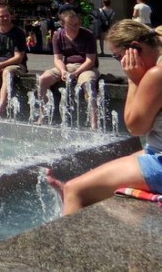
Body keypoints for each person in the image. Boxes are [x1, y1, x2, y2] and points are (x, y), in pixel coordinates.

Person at [46, 19, 162, 214]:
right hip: (156, 151)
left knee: (74, 190)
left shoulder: (156, 75)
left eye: (118, 56)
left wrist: (133, 80)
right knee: (101, 175)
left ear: (135, 48)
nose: (121, 63)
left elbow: (135, 127)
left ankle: (73, 202)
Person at [35, 5, 99, 128]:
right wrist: (63, 71)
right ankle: (44, 115)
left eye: (77, 23)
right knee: (43, 79)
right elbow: (57, 59)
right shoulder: (57, 35)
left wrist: (76, 73)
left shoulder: (88, 35)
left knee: (88, 84)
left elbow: (90, 60)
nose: (76, 27)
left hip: (86, 67)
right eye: (72, 25)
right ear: (63, 24)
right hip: (67, 66)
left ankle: (94, 123)